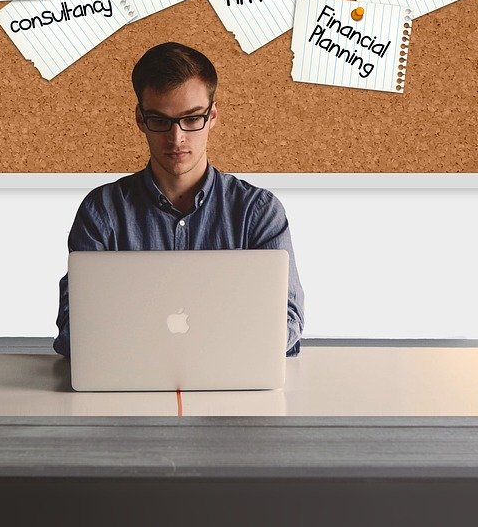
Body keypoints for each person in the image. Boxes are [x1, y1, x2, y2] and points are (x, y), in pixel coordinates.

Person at [53, 41, 304, 358]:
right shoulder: (102, 211)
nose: (176, 138)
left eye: (192, 118)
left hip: (231, 386)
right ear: (140, 119)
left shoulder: (258, 211)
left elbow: (288, 320)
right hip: (128, 388)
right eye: (159, 121)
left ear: (212, 116)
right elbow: (74, 329)